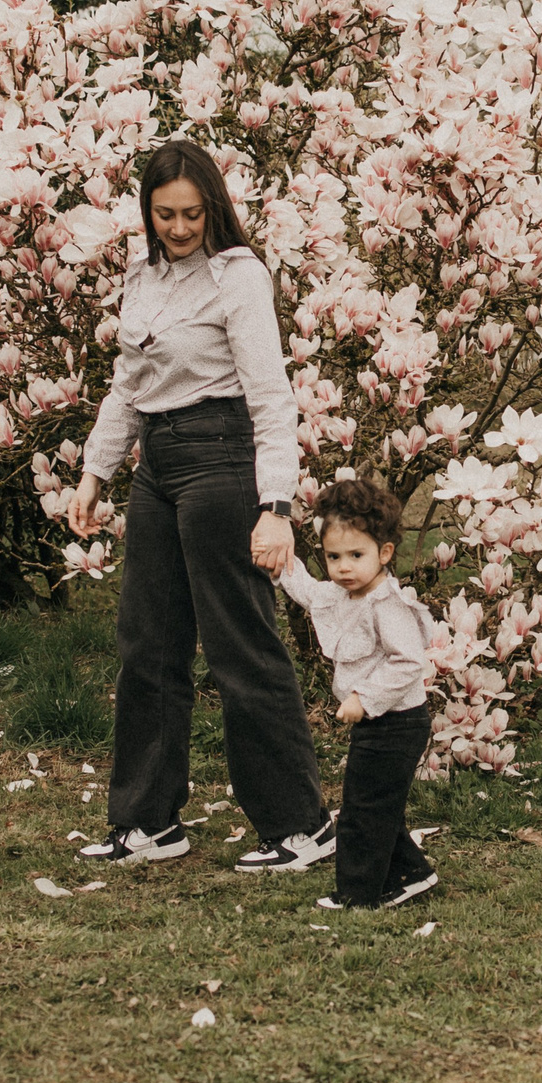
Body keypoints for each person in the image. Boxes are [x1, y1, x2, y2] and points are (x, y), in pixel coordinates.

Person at [64, 140, 334, 874]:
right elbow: (128, 381)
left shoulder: (239, 278)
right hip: (157, 464)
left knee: (239, 644)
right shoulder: (142, 274)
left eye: (191, 214)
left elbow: (271, 393)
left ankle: (299, 823)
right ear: (147, 214)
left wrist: (274, 502)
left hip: (222, 455)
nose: (179, 228)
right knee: (147, 641)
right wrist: (95, 470)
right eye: (165, 215)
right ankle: (148, 820)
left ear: (213, 207)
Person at [276, 478, 440, 911]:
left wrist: (364, 698)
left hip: (398, 722)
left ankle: (358, 894)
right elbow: (310, 592)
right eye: (333, 557)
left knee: (363, 809)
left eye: (356, 556)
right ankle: (411, 873)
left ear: (384, 554)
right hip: (378, 723)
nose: (343, 567)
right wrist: (278, 563)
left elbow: (407, 661)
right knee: (374, 801)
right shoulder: (342, 593)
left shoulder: (388, 604)